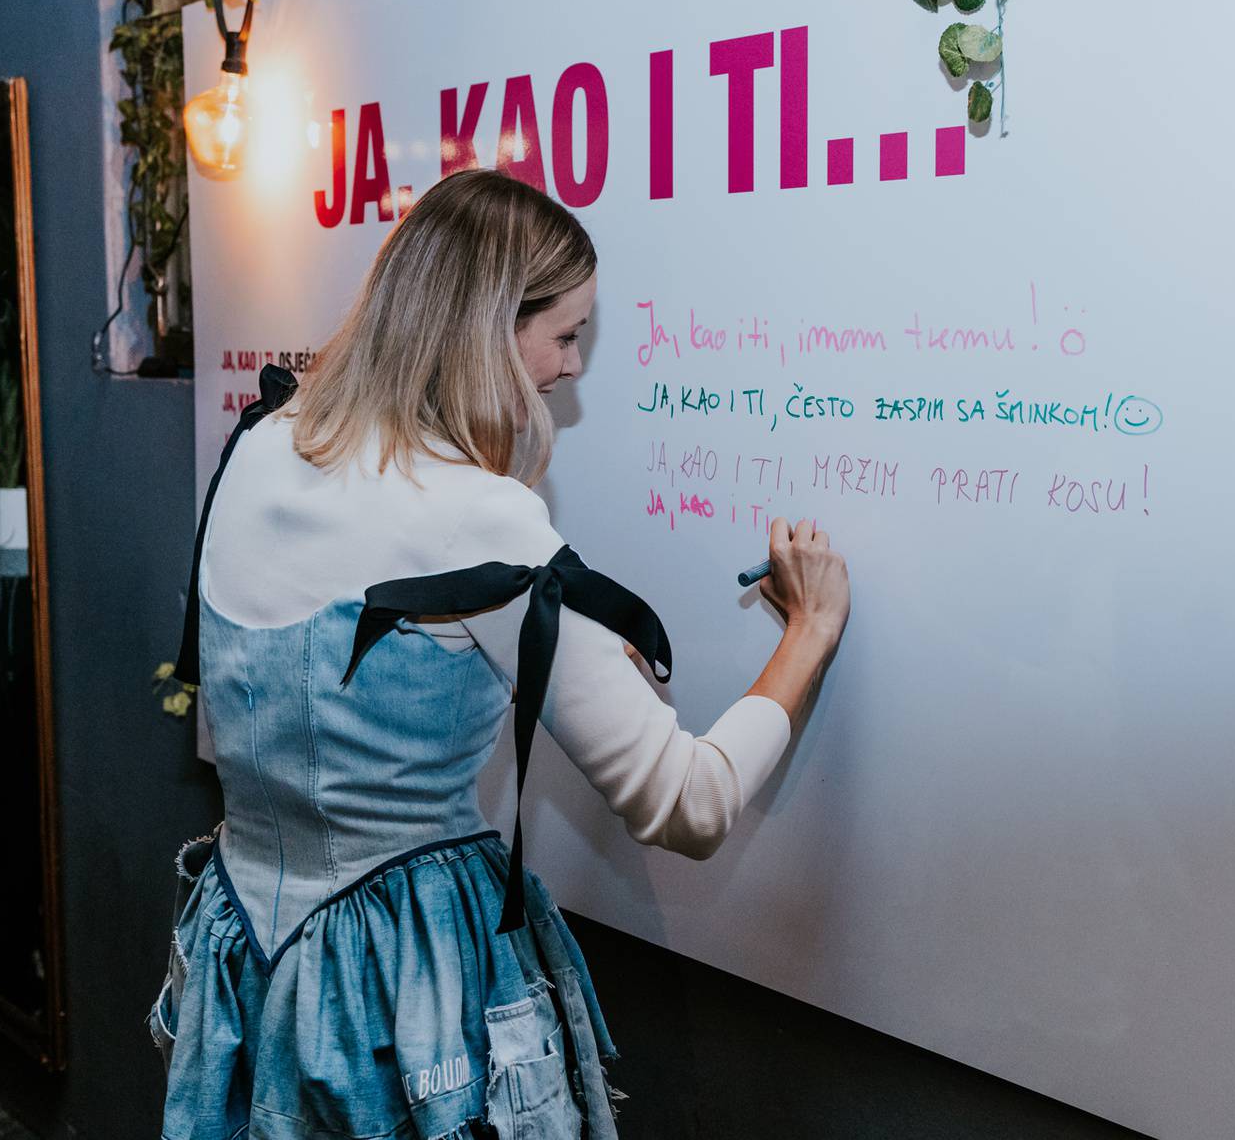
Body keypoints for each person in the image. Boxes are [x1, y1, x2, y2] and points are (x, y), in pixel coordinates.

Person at [148, 169, 850, 1140]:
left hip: (251, 962)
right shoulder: (479, 523)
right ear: (488, 329)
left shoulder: (258, 448)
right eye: (565, 334)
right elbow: (685, 802)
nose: (570, 368)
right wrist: (810, 631)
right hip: (406, 991)